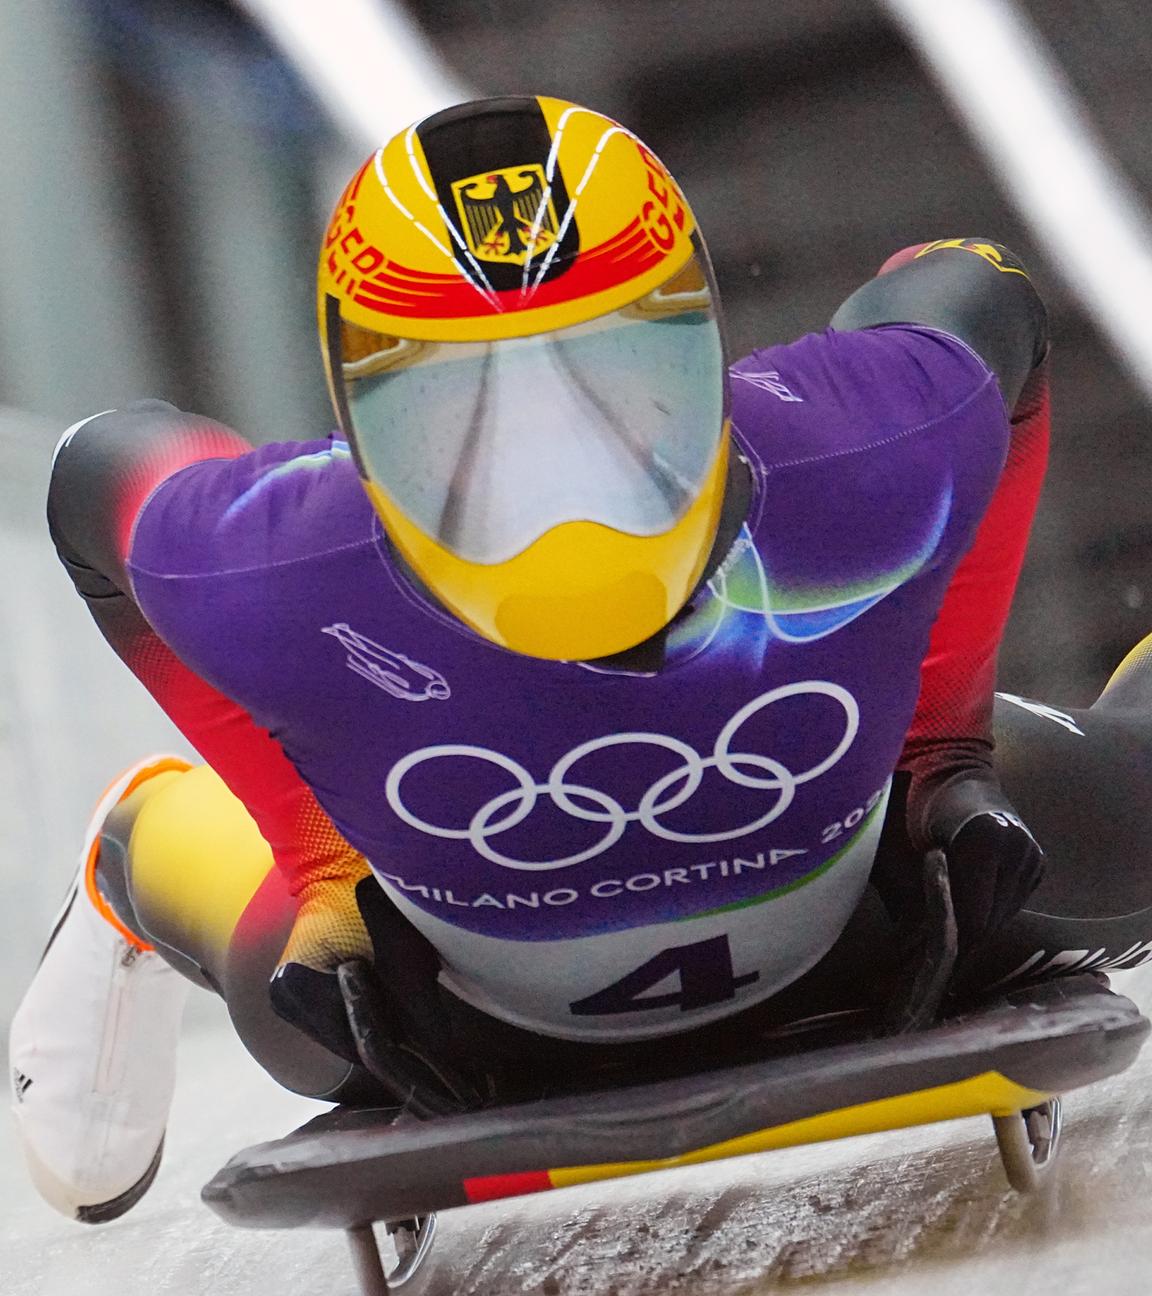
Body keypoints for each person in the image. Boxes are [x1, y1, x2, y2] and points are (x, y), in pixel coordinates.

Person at [8, 93, 1105, 1222]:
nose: (556, 486)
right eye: (459, 410)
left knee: (1114, 832)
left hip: (865, 907)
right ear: (360, 421)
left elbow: (978, 291)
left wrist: (940, 750)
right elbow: (973, 290)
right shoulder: (273, 565)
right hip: (456, 1001)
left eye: (612, 380)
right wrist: (320, 865)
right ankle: (145, 843)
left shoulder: (868, 452)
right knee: (307, 1016)